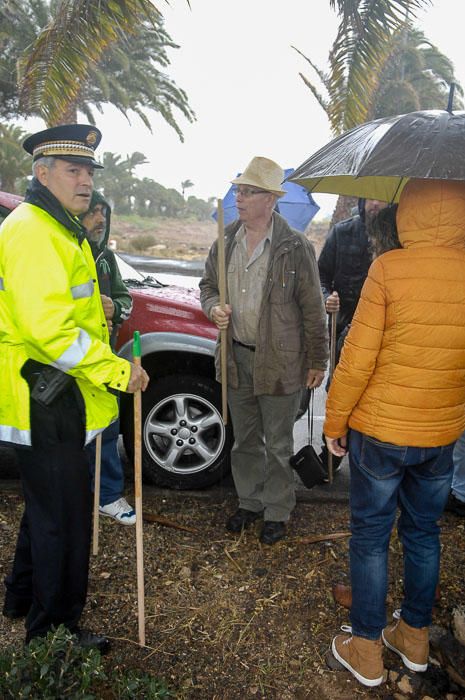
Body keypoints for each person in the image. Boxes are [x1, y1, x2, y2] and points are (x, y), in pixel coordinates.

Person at [0, 125, 149, 650]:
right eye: (73, 170)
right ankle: (53, 634)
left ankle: (20, 596)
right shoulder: (37, 231)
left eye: (89, 171)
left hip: (50, 392)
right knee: (63, 519)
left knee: (47, 506)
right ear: (42, 173)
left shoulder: (57, 227)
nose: (86, 180)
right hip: (47, 394)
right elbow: (50, 332)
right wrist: (117, 370)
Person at [324, 179, 465, 687]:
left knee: (370, 537)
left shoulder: (389, 268)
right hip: (440, 435)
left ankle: (364, 647)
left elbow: (356, 359)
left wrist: (334, 422)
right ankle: (414, 637)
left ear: (412, 211)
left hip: (380, 434)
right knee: (425, 534)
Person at [200, 156, 328, 545]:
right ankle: (250, 502)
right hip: (236, 357)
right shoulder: (225, 241)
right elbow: (207, 286)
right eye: (239, 189)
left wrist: (318, 360)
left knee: (278, 443)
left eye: (249, 191)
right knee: (244, 440)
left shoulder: (295, 247)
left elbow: (313, 308)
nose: (239, 197)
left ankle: (277, 510)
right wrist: (213, 308)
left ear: (271, 199)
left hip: (281, 362)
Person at [318, 198, 387, 472]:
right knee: (338, 390)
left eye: (381, 198)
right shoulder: (341, 232)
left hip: (383, 329)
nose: (375, 204)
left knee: (373, 394)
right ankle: (331, 455)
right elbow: (321, 274)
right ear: (361, 200)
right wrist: (327, 298)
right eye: (370, 198)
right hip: (342, 328)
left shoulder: (398, 233)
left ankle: (367, 459)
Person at [80, 192, 135, 525]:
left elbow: (124, 297)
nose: (99, 218)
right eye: (93, 212)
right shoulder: (65, 250)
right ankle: (77, 494)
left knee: (107, 427)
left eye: (103, 212)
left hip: (104, 357)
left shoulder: (105, 258)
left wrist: (117, 307)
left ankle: (109, 495)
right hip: (69, 358)